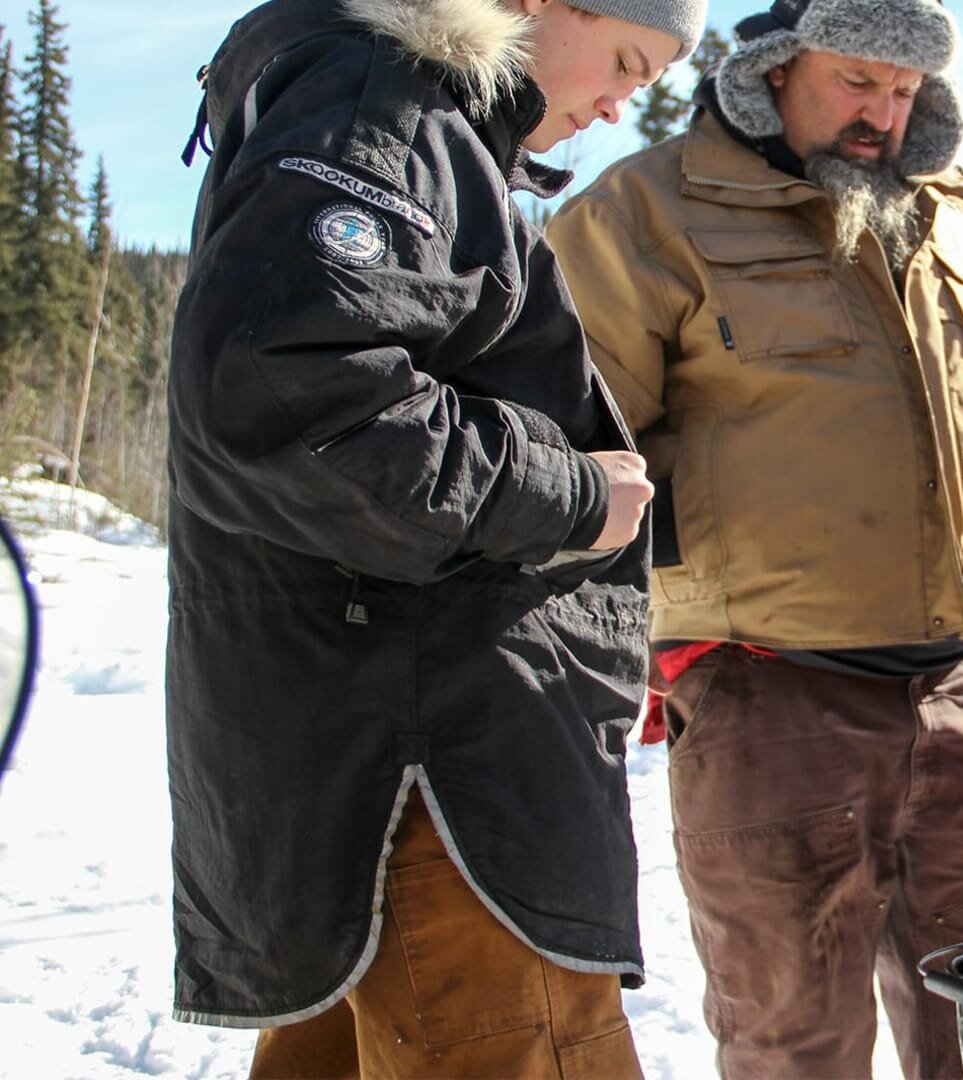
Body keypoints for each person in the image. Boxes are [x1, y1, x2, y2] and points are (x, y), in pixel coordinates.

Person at [166, 0, 705, 1074]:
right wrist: (570, 495)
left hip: (371, 777)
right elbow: (292, 393)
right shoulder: (385, 107)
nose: (614, 106)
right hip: (438, 784)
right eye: (627, 63)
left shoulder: (380, 118)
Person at [543, 0, 963, 1075]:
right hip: (770, 698)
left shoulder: (939, 214)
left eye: (905, 90)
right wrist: (636, 643)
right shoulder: (646, 212)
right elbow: (571, 455)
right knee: (795, 1046)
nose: (882, 113)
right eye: (856, 81)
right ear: (777, 69)